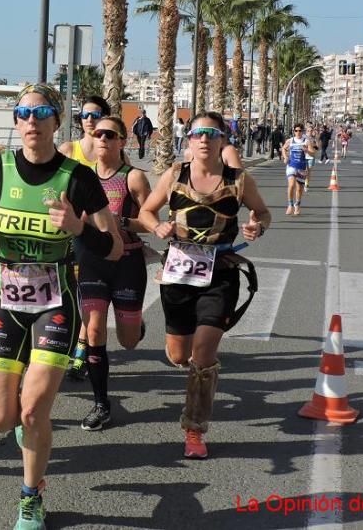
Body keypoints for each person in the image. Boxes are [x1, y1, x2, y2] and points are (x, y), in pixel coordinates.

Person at [0, 83, 123, 529]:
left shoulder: (78, 177)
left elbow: (112, 248)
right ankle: (25, 427)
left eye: (41, 113)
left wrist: (77, 227)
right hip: (6, 302)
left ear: (58, 121)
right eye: (22, 113)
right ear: (16, 122)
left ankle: (31, 496)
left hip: (55, 305)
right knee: (0, 419)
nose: (31, 121)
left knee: (34, 410)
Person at [139, 110, 271, 459]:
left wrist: (257, 226)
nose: (203, 140)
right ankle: (202, 369)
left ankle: (194, 429)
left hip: (221, 274)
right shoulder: (175, 174)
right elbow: (146, 212)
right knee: (178, 354)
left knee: (203, 353)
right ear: (189, 138)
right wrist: (157, 227)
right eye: (197, 133)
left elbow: (263, 212)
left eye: (211, 134)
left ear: (222, 139)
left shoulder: (239, 180)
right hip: (178, 275)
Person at [77, 116, 152, 431]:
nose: (102, 139)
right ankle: (101, 404)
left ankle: (134, 321)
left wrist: (120, 223)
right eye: (97, 134)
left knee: (129, 341)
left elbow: (150, 220)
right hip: (92, 261)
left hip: (127, 263)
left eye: (110, 134)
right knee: (94, 331)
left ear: (123, 141)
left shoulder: (132, 177)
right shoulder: (80, 177)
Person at [58, 95, 111, 382]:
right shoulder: (68, 149)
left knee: (86, 297)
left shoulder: (110, 150)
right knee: (68, 294)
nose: (90, 119)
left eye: (96, 114)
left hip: (94, 235)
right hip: (67, 232)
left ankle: (80, 353)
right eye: (85, 114)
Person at [282, 124, 317, 215]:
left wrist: (307, 151)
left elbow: (313, 153)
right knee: (291, 185)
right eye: (296, 130)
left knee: (299, 189)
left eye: (300, 131)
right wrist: (285, 157)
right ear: (294, 131)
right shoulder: (290, 140)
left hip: (302, 166)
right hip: (291, 165)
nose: (298, 132)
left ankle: (297, 204)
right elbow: (283, 148)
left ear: (302, 131)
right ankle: (290, 204)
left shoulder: (306, 141)